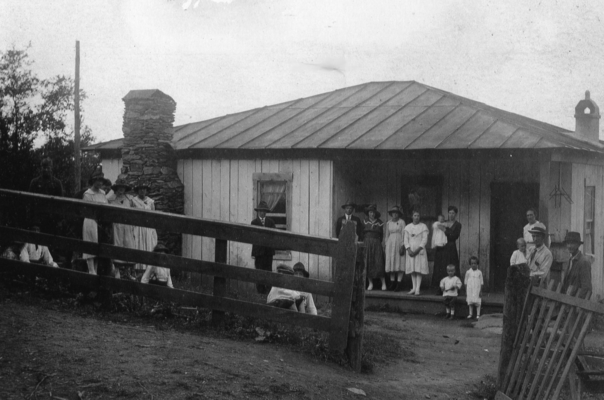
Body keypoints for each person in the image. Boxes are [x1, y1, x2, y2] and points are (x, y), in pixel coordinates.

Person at [82, 170, 109, 275]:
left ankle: (95, 271)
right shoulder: (87, 194)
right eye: (98, 180)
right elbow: (86, 211)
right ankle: (91, 270)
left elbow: (106, 207)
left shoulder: (103, 194)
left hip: (101, 223)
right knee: (90, 245)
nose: (100, 183)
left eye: (101, 181)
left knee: (98, 247)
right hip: (91, 222)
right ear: (93, 181)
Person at [109, 180, 136, 273]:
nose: (121, 189)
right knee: (117, 244)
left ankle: (128, 271)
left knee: (128, 245)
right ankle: (117, 271)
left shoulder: (130, 199)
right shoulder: (111, 199)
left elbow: (135, 212)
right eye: (119, 187)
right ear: (116, 188)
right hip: (116, 226)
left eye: (123, 187)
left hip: (127, 226)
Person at [432, 206, 462, 286]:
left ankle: (452, 287)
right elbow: (436, 229)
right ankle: (440, 287)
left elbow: (454, 236)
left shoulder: (458, 225)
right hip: (441, 247)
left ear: (456, 214)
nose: (451, 215)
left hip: (451, 247)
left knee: (450, 266)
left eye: (453, 213)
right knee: (440, 267)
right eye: (449, 213)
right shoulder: (443, 222)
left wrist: (445, 230)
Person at [132, 183, 158, 274]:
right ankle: (138, 271)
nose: (142, 191)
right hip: (138, 227)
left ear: (146, 190)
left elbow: (154, 216)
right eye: (140, 189)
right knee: (138, 246)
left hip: (148, 228)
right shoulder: (133, 200)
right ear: (137, 190)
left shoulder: (151, 201)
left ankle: (149, 271)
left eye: (144, 189)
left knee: (149, 246)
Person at [251, 201, 276, 294]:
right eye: (261, 210)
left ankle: (269, 292)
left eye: (264, 211)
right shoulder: (254, 223)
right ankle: (260, 292)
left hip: (268, 252)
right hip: (259, 253)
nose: (262, 212)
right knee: (259, 271)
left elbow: (273, 236)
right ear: (258, 211)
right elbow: (254, 237)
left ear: (266, 212)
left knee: (268, 271)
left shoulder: (271, 222)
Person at [404, 210, 429, 295]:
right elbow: (405, 240)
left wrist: (418, 250)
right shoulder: (408, 227)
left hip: (419, 250)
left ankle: (418, 288)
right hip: (411, 250)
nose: (416, 217)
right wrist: (408, 249)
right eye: (415, 215)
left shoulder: (423, 226)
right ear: (412, 216)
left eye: (418, 215)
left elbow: (424, 239)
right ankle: (413, 288)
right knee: (412, 269)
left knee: (418, 269)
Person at [363, 204, 386, 291]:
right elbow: (362, 233)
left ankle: (383, 283)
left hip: (376, 243)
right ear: (368, 213)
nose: (372, 214)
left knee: (378, 261)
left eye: (373, 212)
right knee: (368, 262)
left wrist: (381, 244)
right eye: (370, 212)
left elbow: (382, 235)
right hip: (367, 243)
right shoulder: (364, 221)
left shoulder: (379, 222)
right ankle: (370, 283)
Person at [384, 205, 406, 291]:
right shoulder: (388, 223)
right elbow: (386, 235)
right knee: (391, 262)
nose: (395, 215)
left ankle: (399, 283)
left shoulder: (402, 222)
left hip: (399, 242)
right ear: (391, 214)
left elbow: (404, 234)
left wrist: (403, 245)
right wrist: (386, 245)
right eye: (393, 213)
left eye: (396, 213)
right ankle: (392, 282)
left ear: (398, 214)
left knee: (399, 262)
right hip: (390, 243)